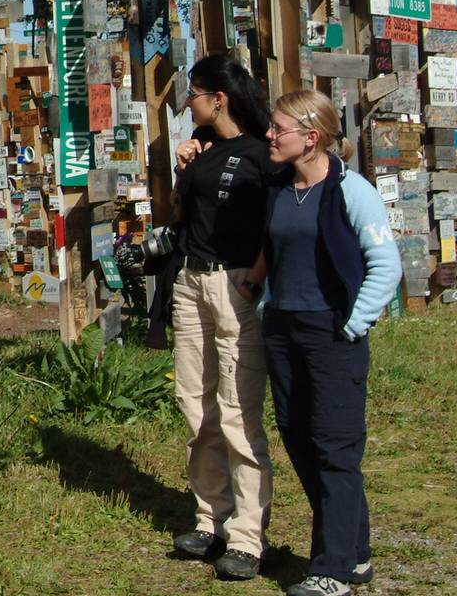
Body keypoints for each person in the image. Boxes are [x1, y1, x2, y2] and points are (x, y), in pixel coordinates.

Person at [261, 90, 403, 596]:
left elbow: (386, 265)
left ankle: (332, 570)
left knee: (336, 448)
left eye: (280, 129)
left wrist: (354, 322)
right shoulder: (278, 188)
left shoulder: (351, 190)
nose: (271, 136)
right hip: (283, 329)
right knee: (298, 437)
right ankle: (355, 552)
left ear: (312, 137)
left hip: (332, 333)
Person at [158, 55, 278, 582]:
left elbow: (280, 222)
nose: (189, 103)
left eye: (195, 94)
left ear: (219, 99)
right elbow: (179, 216)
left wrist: (253, 279)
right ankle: (211, 517)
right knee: (196, 406)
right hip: (191, 281)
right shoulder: (203, 153)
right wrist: (184, 170)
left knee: (237, 411)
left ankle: (248, 537)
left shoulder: (262, 155)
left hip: (233, 284)